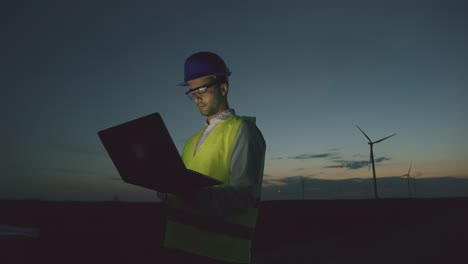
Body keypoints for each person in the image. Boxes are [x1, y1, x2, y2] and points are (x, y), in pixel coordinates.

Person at [157, 51, 266, 264]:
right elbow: (178, 192)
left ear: (223, 88)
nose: (196, 97)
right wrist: (164, 188)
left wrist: (192, 195)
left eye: (203, 89)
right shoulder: (191, 141)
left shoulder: (243, 130)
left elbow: (244, 196)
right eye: (192, 92)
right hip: (180, 247)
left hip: (220, 253)